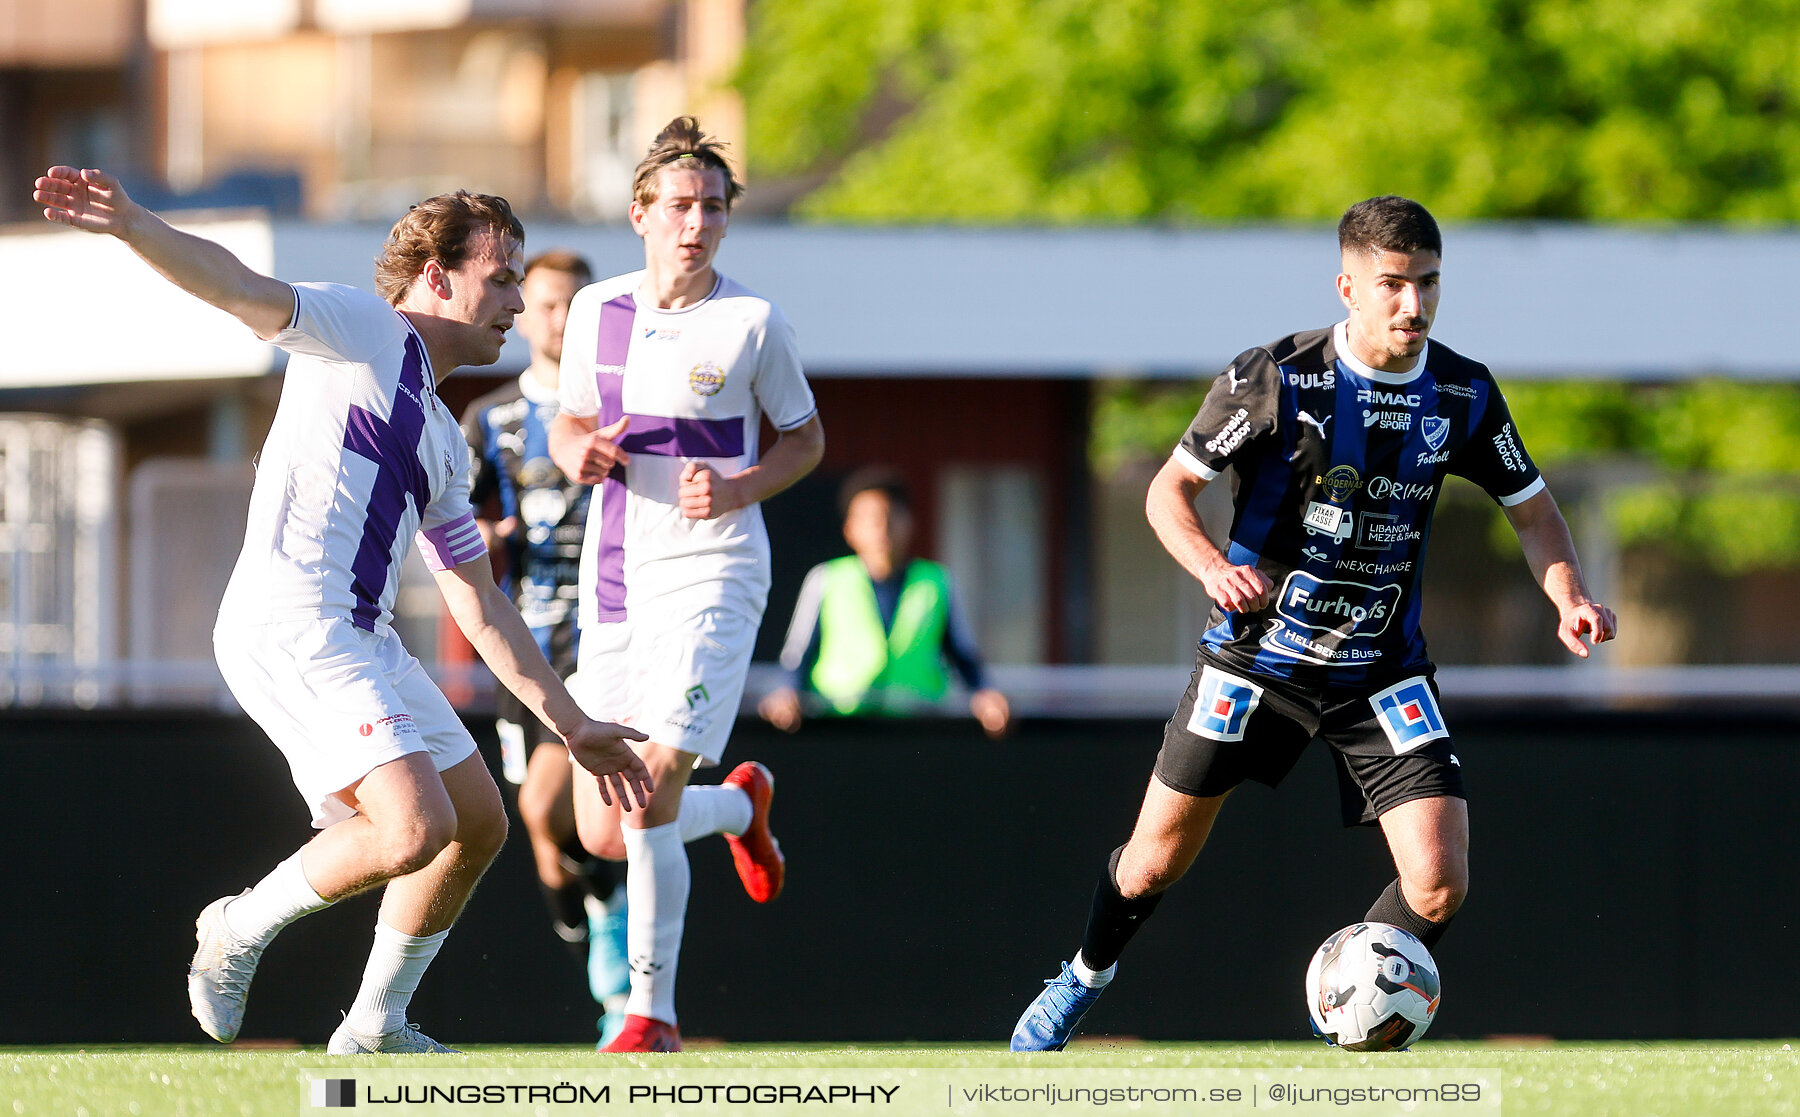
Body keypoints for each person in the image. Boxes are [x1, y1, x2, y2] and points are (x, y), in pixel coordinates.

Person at [33, 165, 653, 1054]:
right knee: (414, 825)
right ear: (437, 276)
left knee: (476, 821)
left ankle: (374, 1025)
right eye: (503, 275)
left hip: (361, 636)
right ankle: (237, 926)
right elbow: (241, 288)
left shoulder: (444, 436)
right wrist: (133, 222)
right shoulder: (367, 327)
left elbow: (478, 604)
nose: (519, 300)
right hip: (291, 622)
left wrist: (572, 724)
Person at [1009, 195, 1618, 1051]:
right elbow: (1166, 492)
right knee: (1151, 861)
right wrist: (1216, 568)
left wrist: (1570, 594)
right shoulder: (1275, 376)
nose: (1414, 306)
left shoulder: (1463, 390)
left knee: (1440, 883)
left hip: (1380, 670)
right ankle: (1083, 974)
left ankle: (1351, 999)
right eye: (1394, 285)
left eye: (1429, 284)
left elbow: (1534, 509)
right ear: (1348, 287)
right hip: (1254, 660)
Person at [550, 117, 825, 1053]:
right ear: (640, 214)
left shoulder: (752, 321)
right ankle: (744, 806)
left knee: (651, 787)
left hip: (717, 573)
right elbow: (567, 421)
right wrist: (574, 449)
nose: (695, 224)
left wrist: (743, 484)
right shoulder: (597, 310)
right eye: (679, 206)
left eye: (712, 209)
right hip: (618, 581)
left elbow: (806, 438)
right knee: (599, 824)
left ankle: (650, 1016)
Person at [459, 249, 633, 1045]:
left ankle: (616, 964)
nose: (562, 320)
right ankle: (603, 912)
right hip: (520, 643)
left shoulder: (620, 408)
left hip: (602, 636)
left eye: (576, 305)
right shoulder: (488, 419)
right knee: (545, 831)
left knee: (543, 805)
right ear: (526, 311)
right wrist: (487, 536)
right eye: (549, 304)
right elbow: (449, 530)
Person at [758, 466, 1011, 737]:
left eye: (890, 516)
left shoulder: (936, 582)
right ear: (849, 529)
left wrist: (986, 695)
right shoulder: (826, 579)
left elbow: (965, 657)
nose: (881, 528)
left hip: (919, 731)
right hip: (840, 729)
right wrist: (785, 694)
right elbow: (797, 656)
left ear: (909, 522)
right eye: (869, 519)